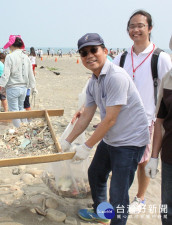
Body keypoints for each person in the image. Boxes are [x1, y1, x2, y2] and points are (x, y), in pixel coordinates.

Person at [60, 33, 149, 225]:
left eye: (94, 50)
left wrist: (86, 146)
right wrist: (67, 140)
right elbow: (87, 115)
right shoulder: (93, 81)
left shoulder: (115, 77)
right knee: (96, 174)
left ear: (105, 51)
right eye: (84, 53)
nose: (89, 55)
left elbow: (109, 120)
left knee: (118, 192)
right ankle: (102, 214)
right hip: (111, 139)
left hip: (130, 142)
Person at [113, 10, 172, 214]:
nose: (135, 30)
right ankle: (121, 197)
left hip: (149, 119)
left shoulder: (161, 58)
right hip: (121, 119)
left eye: (140, 25)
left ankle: (141, 197)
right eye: (131, 26)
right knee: (123, 159)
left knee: (143, 161)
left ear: (150, 28)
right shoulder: (121, 58)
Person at [145, 35, 172, 225]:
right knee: (168, 209)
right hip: (170, 155)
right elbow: (160, 121)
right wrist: (153, 156)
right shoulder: (168, 79)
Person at [0, 35, 36, 128]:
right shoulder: (26, 57)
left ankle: (20, 130)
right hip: (24, 88)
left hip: (13, 88)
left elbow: (5, 75)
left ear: (12, 45)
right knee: (21, 108)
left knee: (14, 111)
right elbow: (30, 74)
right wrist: (33, 87)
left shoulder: (9, 57)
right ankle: (26, 128)